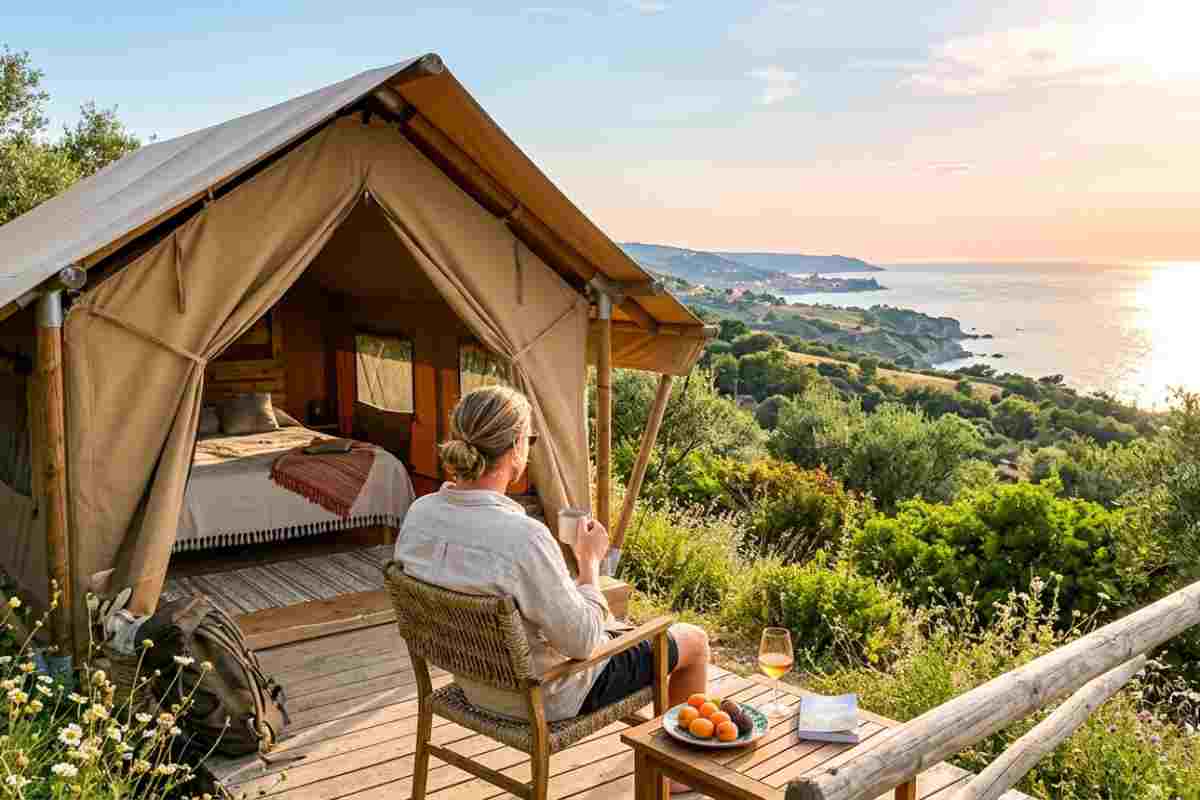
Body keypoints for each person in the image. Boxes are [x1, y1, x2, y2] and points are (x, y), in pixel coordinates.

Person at [393, 385, 710, 727]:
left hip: (474, 684)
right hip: (545, 695)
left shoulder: (419, 514)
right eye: (529, 441)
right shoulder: (523, 537)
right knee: (692, 640)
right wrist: (589, 562)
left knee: (608, 624)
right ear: (516, 446)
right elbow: (583, 643)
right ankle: (677, 780)